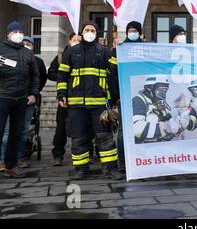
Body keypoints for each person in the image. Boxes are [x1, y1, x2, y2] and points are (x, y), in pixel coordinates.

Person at [57, 21, 123, 180]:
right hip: (76, 104)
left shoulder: (104, 52)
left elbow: (113, 73)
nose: (89, 32)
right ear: (81, 32)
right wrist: (61, 94)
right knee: (79, 138)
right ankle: (81, 169)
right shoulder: (71, 52)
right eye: (87, 29)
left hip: (99, 103)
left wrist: (117, 51)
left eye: (92, 30)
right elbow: (62, 75)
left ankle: (110, 169)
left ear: (97, 33)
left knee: (105, 137)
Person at [0, 21, 39, 178]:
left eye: (20, 31)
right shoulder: (1, 50)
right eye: (14, 31)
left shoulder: (27, 53)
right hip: (3, 96)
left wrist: (33, 93)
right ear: (8, 34)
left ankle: (11, 165)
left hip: (21, 98)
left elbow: (35, 75)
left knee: (16, 133)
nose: (18, 34)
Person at [110, 21, 144, 172]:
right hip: (124, 96)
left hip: (141, 97)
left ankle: (142, 159)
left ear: (140, 33)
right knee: (124, 131)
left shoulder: (147, 49)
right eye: (130, 30)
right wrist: (116, 96)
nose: (132, 33)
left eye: (135, 30)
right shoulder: (119, 50)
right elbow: (112, 75)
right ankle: (122, 161)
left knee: (142, 129)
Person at [47, 33, 81, 166]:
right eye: (74, 40)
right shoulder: (61, 57)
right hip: (64, 97)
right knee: (61, 128)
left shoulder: (84, 55)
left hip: (80, 97)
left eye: (79, 40)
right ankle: (58, 155)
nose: (76, 42)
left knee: (82, 128)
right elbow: (51, 73)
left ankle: (83, 154)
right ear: (69, 41)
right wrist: (63, 77)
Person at [15, 36, 47, 167]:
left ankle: (20, 157)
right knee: (8, 131)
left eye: (28, 44)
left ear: (33, 46)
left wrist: (34, 93)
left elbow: (41, 78)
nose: (25, 45)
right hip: (12, 98)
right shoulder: (11, 58)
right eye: (23, 43)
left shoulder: (37, 61)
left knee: (24, 129)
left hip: (29, 99)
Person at [132, 76, 192, 143]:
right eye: (161, 91)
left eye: (165, 91)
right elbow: (136, 129)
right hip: (145, 148)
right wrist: (166, 128)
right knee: (152, 117)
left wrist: (180, 125)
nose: (163, 94)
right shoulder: (138, 100)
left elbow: (171, 126)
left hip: (160, 147)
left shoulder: (160, 105)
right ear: (149, 88)